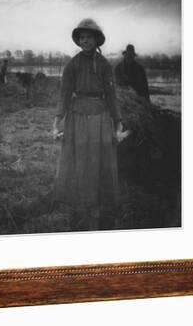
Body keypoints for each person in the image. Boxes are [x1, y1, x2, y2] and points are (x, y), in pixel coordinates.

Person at [52, 18, 122, 230]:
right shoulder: (72, 65)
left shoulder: (105, 66)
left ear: (96, 40)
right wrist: (57, 121)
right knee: (79, 158)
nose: (84, 41)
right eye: (81, 38)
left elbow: (111, 95)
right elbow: (64, 94)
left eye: (88, 37)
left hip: (100, 117)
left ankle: (97, 208)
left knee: (98, 160)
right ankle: (80, 204)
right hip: (77, 117)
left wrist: (117, 122)